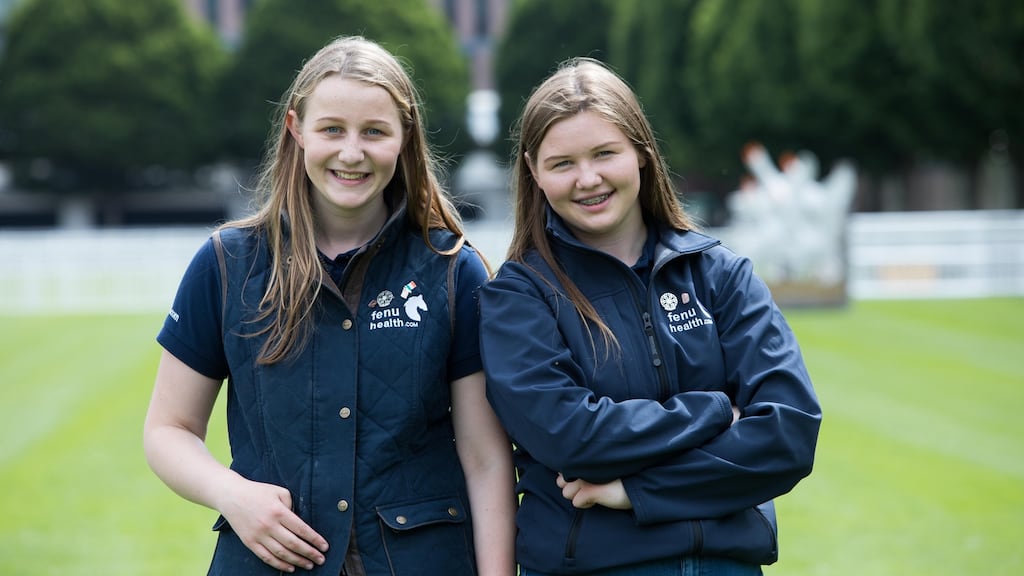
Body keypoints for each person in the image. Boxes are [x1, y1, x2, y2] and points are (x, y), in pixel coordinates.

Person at [143, 35, 516, 576]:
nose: (351, 153)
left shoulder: (454, 271)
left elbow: (485, 459)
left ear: (405, 136)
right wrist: (232, 494)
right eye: (332, 129)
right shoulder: (226, 264)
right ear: (296, 130)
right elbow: (168, 430)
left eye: (374, 131)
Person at [477, 58, 822, 576]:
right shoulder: (519, 296)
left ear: (640, 150)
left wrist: (637, 491)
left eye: (604, 153)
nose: (588, 179)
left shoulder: (720, 274)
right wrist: (714, 410)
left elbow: (788, 433)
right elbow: (571, 438)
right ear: (533, 170)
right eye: (562, 163)